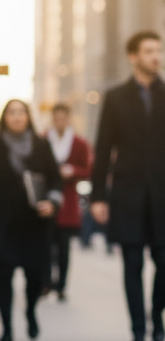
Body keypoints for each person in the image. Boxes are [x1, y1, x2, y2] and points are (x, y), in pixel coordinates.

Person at [91, 31, 165, 341]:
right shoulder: (115, 97)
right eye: (149, 51)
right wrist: (98, 196)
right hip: (127, 194)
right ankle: (138, 331)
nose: (156, 56)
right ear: (133, 57)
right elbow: (103, 148)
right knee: (132, 264)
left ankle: (157, 314)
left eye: (158, 51)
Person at [0, 100, 62, 341]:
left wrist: (52, 203)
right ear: (5, 118)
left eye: (21, 112)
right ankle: (7, 328)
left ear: (28, 117)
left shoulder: (41, 145)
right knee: (3, 276)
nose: (17, 117)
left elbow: (55, 179)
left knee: (35, 276)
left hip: (35, 223)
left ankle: (30, 311)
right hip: (4, 225)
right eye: (12, 113)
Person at [46, 103, 92, 300]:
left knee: (64, 248)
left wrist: (72, 171)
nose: (60, 122)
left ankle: (61, 285)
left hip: (68, 202)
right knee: (46, 247)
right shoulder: (44, 140)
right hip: (47, 199)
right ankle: (46, 283)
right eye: (56, 118)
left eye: (63, 118)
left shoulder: (79, 143)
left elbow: (88, 169)